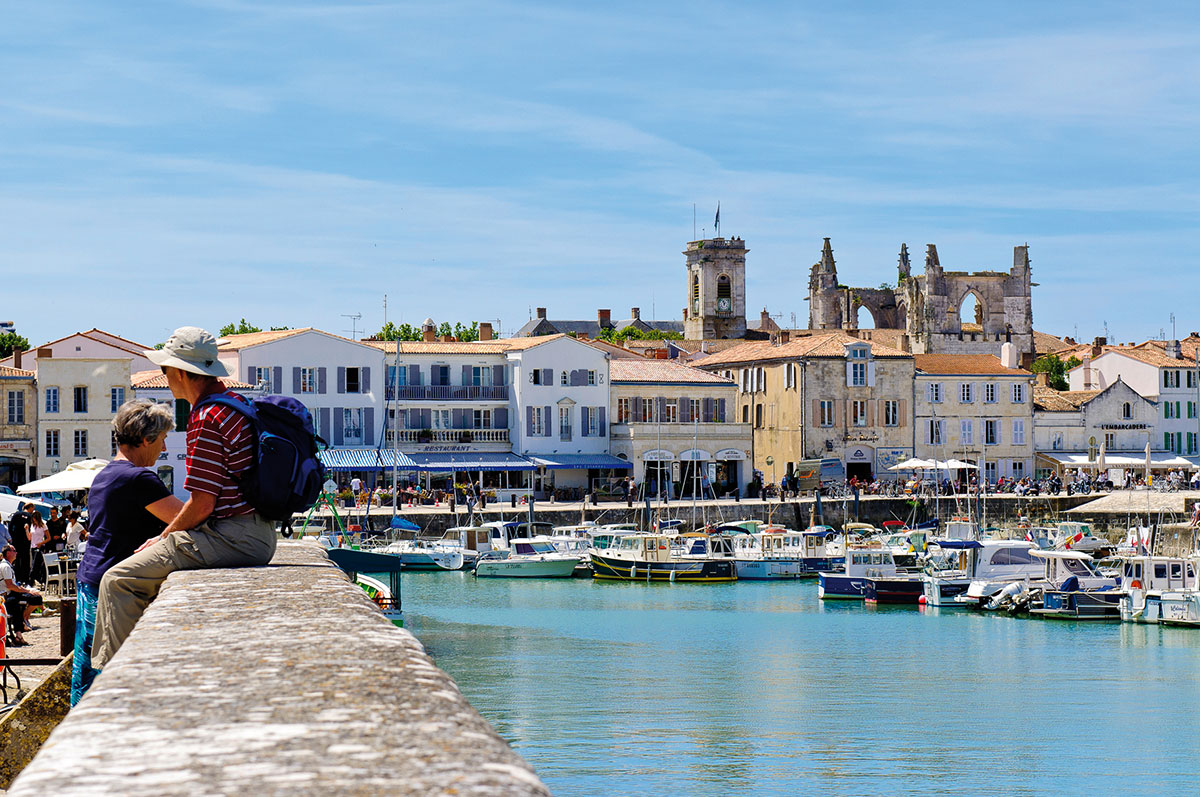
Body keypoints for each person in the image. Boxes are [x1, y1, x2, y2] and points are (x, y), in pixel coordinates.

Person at [90, 327, 277, 673]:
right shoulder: (236, 404)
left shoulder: (207, 417)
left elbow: (202, 505)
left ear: (178, 372)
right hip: (257, 533)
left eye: (165, 370)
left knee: (117, 581)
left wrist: (162, 538)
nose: (165, 378)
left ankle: (119, 683)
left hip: (233, 537)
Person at [72, 400, 181, 705]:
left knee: (86, 670)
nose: (163, 447)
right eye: (161, 440)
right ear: (146, 439)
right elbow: (187, 518)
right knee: (106, 672)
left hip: (90, 576)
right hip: (114, 584)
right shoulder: (139, 479)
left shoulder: (106, 474)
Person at [1, 545, 41, 644]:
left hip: (12, 594)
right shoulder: (5, 566)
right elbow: (10, 585)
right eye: (14, 551)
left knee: (36, 598)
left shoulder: (9, 566)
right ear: (8, 553)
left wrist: (27, 590)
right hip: (5, 596)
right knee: (15, 604)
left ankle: (24, 619)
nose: (16, 553)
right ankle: (19, 633)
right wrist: (27, 591)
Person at [7, 504, 31, 584]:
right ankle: (26, 579)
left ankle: (17, 578)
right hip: (25, 542)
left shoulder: (16, 515)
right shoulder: (29, 516)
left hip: (16, 541)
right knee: (25, 561)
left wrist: (13, 536)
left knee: (16, 561)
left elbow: (10, 527)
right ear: (30, 508)